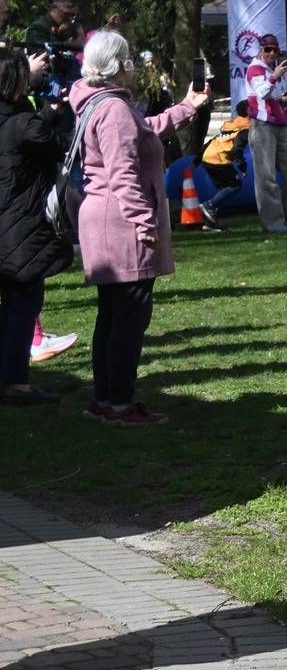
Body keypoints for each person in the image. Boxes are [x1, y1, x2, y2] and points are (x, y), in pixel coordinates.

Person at [73, 32, 209, 425]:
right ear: (120, 65)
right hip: (120, 223)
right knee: (129, 318)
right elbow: (122, 173)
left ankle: (105, 400)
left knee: (112, 315)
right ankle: (119, 404)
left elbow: (142, 129)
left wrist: (186, 107)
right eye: (128, 58)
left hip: (105, 219)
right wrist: (144, 223)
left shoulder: (96, 100)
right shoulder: (113, 108)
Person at [0, 49, 70, 406]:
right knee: (22, 305)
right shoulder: (25, 124)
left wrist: (44, 113)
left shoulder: (21, 123)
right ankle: (15, 383)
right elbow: (60, 147)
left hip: (9, 225)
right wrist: (54, 113)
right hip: (18, 229)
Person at [244, 33, 287, 233]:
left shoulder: (269, 69)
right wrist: (275, 76)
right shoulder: (255, 68)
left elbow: (271, 97)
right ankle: (273, 224)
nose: (271, 53)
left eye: (274, 50)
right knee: (266, 178)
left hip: (280, 126)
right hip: (262, 127)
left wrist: (283, 101)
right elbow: (262, 93)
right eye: (267, 49)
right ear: (260, 50)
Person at [196, 105, 252, 231]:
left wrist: (197, 159)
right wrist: (242, 167)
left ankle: (210, 224)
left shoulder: (232, 124)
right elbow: (236, 149)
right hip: (219, 160)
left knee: (222, 189)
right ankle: (209, 205)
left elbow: (214, 140)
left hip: (207, 157)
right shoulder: (245, 129)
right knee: (234, 185)